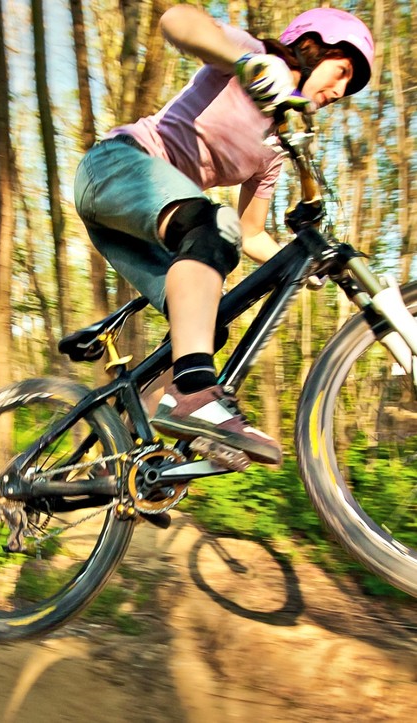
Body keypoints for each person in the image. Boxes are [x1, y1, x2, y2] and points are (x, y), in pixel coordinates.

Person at [74, 5, 374, 466]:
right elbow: (176, 22)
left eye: (348, 88)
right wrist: (245, 62)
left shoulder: (272, 151)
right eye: (341, 72)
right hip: (115, 168)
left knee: (204, 325)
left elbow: (252, 234)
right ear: (311, 47)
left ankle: (136, 460)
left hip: (149, 223)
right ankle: (194, 395)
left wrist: (306, 264)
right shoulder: (250, 59)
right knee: (215, 227)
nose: (339, 91)